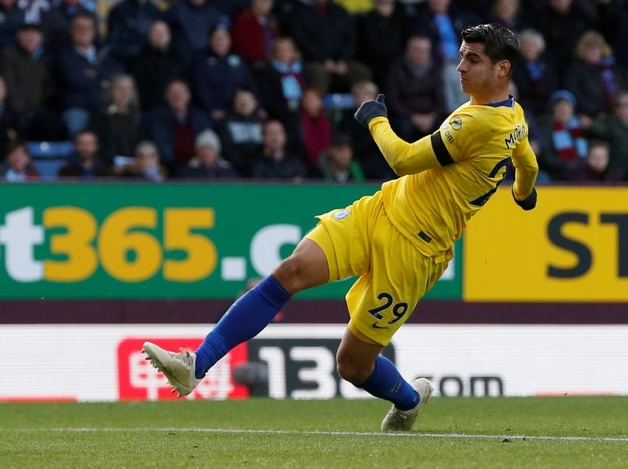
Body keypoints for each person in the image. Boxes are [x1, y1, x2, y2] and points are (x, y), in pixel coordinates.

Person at [144, 23, 538, 433]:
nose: (460, 67)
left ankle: (409, 399)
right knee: (291, 270)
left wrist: (375, 119)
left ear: (501, 68)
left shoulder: (478, 123)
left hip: (415, 251)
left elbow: (402, 159)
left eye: (472, 59)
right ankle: (196, 365)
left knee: (352, 364)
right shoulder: (512, 117)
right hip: (381, 210)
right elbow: (527, 162)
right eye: (460, 56)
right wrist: (524, 194)